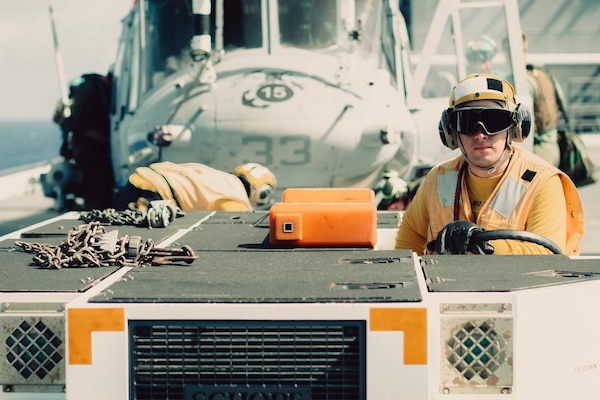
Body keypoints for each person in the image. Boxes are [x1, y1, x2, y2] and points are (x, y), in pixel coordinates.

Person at [395, 73, 584, 256]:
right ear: (450, 132)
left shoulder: (542, 182)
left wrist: (482, 245)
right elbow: (411, 234)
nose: (480, 134)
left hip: (516, 288)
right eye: (466, 122)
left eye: (493, 121)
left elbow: (545, 254)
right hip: (446, 287)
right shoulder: (437, 179)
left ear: (515, 127)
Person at [53, 73, 114, 210]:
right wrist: (106, 140)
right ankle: (95, 211)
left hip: (85, 148)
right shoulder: (90, 92)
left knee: (96, 184)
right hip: (89, 150)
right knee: (96, 185)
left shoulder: (90, 90)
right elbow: (80, 125)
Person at [113, 161, 277, 211]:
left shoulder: (220, 176)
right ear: (262, 193)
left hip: (141, 177)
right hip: (154, 195)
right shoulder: (238, 200)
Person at [522, 31, 562, 167]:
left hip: (537, 151)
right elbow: (562, 103)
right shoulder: (544, 73)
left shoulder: (524, 81)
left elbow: (526, 124)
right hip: (554, 145)